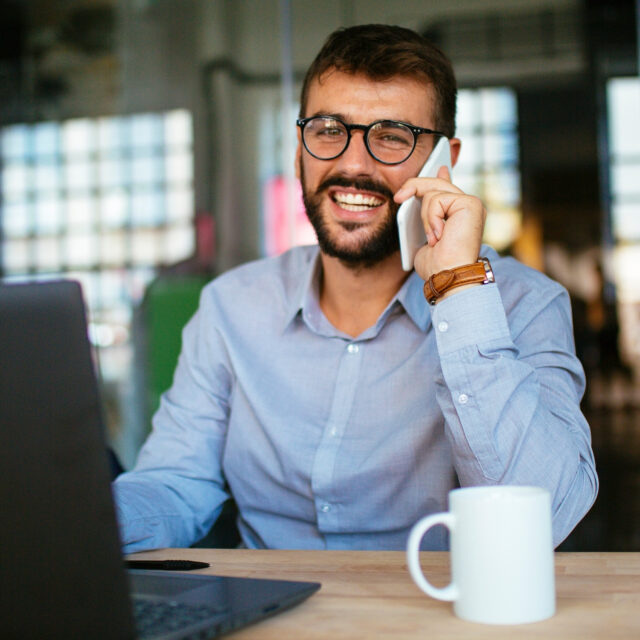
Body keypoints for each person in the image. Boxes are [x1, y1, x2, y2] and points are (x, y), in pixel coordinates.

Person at [113, 24, 598, 552]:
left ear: (445, 162)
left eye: (391, 136)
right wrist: (79, 526)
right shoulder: (230, 308)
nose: (352, 164)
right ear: (299, 150)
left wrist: (457, 287)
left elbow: (542, 518)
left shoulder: (523, 304)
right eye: (327, 130)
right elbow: (175, 483)